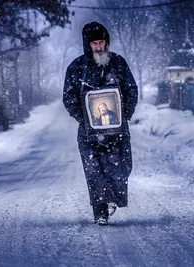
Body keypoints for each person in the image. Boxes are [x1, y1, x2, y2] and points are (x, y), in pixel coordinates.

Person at [63, 21, 138, 226]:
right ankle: (100, 212)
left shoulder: (118, 63)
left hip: (118, 131)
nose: (99, 47)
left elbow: (131, 89)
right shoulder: (77, 68)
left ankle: (112, 198)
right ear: (88, 44)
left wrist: (125, 114)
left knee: (120, 167)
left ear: (107, 42)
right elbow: (68, 98)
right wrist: (85, 117)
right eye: (95, 43)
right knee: (94, 171)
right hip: (89, 134)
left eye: (102, 43)